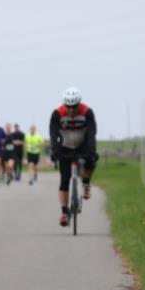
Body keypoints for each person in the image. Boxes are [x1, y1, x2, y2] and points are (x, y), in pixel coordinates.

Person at [49, 87, 98, 227]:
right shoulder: (57, 113)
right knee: (64, 179)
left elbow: (92, 133)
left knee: (91, 161)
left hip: (82, 144)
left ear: (79, 103)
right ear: (64, 104)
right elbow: (53, 134)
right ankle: (64, 212)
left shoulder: (87, 112)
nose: (71, 109)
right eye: (68, 106)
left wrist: (92, 151)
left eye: (74, 106)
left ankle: (86, 183)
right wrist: (54, 151)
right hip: (65, 146)